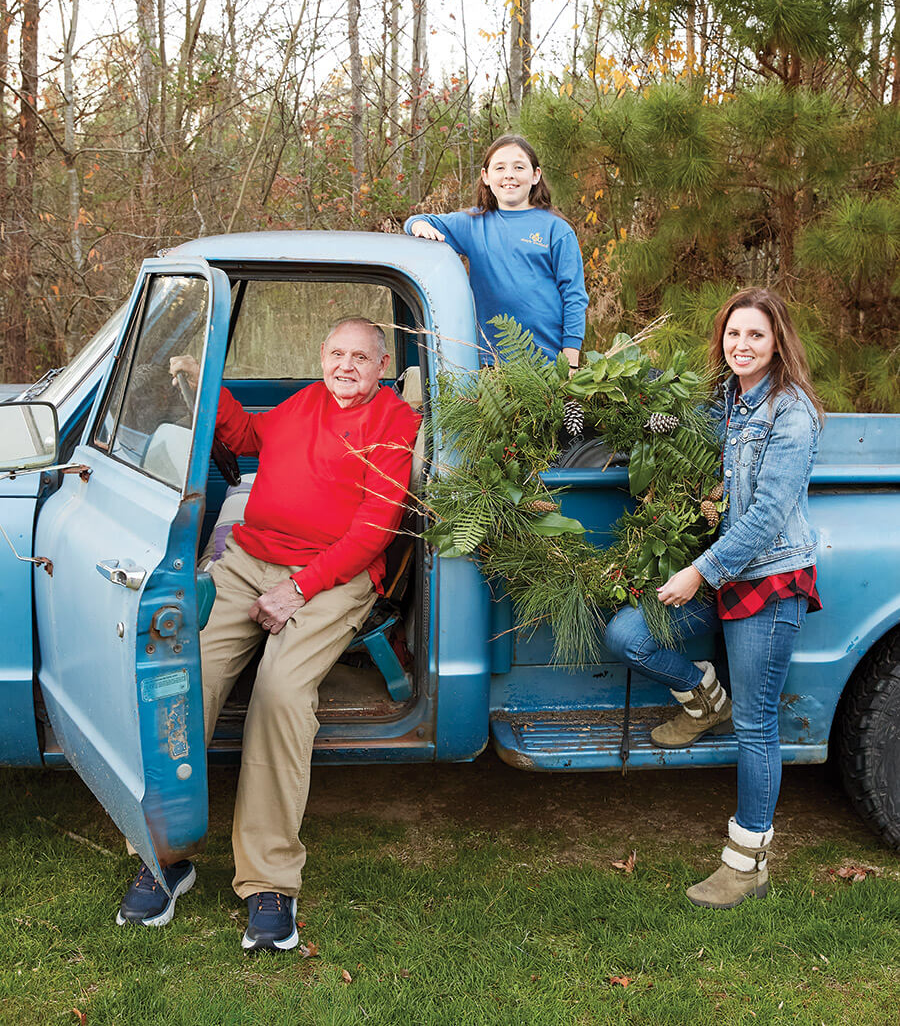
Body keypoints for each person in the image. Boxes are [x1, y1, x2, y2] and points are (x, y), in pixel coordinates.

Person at [116, 317, 421, 950]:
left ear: (382, 361)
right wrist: (206, 386)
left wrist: (297, 589)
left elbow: (374, 529)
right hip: (249, 558)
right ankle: (163, 855)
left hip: (334, 574)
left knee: (281, 692)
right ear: (321, 355)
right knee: (180, 674)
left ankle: (269, 880)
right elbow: (250, 434)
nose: (345, 365)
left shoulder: (395, 423)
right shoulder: (306, 401)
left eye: (360, 356)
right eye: (335, 353)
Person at [604, 288, 824, 909]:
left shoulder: (792, 413)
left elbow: (765, 517)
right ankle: (705, 701)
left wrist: (698, 572)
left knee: (757, 726)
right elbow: (665, 431)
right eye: (733, 334)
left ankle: (747, 861)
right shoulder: (722, 401)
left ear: (777, 340)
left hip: (768, 577)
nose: (742, 346)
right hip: (721, 569)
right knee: (628, 635)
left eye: (755, 335)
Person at [404, 133, 589, 367]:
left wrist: (570, 362)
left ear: (535, 175)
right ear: (486, 176)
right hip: (491, 362)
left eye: (519, 167)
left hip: (548, 361)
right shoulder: (472, 224)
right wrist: (418, 225)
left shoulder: (557, 230)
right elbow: (418, 220)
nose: (509, 175)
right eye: (500, 167)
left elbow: (574, 296)